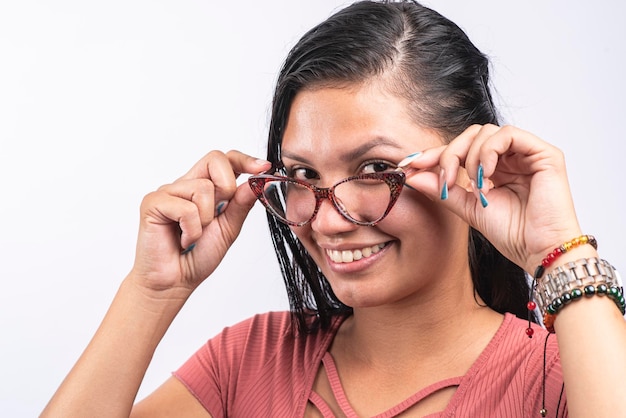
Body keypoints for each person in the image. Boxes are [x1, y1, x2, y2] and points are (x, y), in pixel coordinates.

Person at [41, 1, 626, 417]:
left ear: (471, 159)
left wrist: (557, 250)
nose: (326, 218)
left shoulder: (563, 377)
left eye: (374, 171)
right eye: (302, 176)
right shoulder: (247, 363)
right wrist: (153, 291)